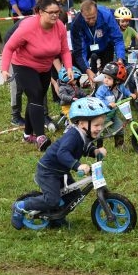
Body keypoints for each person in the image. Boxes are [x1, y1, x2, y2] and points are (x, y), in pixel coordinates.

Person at [10, 97, 109, 230]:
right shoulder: (73, 136)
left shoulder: (84, 135)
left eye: (101, 125)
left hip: (61, 172)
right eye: (97, 125)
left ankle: (56, 217)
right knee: (52, 199)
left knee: (74, 197)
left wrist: (95, 151)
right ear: (81, 123)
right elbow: (62, 154)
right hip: (48, 171)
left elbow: (84, 148)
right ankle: (21, 206)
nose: (100, 128)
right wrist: (78, 165)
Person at [1, 0, 73, 151]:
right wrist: (4, 69)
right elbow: (9, 47)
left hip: (44, 66)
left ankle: (27, 134)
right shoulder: (28, 27)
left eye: (57, 12)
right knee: (35, 94)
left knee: (37, 98)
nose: (55, 15)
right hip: (23, 64)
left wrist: (68, 67)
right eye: (51, 12)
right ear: (41, 12)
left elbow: (64, 50)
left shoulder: (59, 26)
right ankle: (40, 136)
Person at [71, 0, 126, 85]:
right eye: (88, 18)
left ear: (97, 11)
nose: (91, 21)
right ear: (82, 14)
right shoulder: (76, 23)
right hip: (87, 46)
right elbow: (79, 51)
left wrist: (120, 59)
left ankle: (106, 90)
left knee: (108, 72)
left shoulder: (106, 15)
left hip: (105, 44)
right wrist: (87, 70)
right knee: (74, 61)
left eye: (93, 17)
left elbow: (118, 39)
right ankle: (75, 90)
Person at [94, 61, 137, 147]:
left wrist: (130, 94)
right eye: (105, 77)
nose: (105, 80)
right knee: (100, 132)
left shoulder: (120, 87)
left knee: (120, 128)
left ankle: (119, 145)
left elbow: (125, 90)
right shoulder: (102, 89)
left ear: (117, 81)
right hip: (102, 115)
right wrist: (108, 103)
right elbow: (99, 98)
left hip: (112, 114)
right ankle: (98, 148)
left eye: (109, 78)